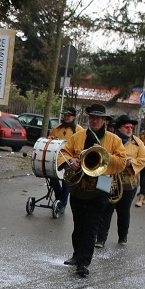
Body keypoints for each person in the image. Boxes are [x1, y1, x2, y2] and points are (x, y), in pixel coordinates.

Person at [57, 104, 128, 276]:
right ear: (89, 119)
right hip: (79, 186)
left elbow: (122, 162)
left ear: (104, 120)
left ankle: (84, 262)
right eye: (92, 117)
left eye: (99, 118)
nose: (95, 120)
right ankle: (76, 255)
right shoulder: (78, 136)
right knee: (78, 225)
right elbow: (63, 152)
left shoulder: (114, 140)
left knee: (91, 226)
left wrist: (105, 155)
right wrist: (70, 161)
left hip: (101, 186)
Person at [96, 114, 145, 246]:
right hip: (107, 179)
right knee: (105, 209)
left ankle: (122, 237)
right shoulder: (110, 139)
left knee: (123, 211)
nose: (130, 129)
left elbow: (144, 158)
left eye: (131, 127)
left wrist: (131, 163)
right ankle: (101, 239)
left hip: (128, 182)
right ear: (119, 128)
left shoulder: (137, 142)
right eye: (127, 127)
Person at [47, 106, 81, 216]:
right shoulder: (57, 128)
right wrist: (51, 140)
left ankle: (62, 205)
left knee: (67, 182)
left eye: (68, 116)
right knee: (52, 178)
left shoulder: (79, 130)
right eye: (65, 115)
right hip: (56, 159)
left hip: (70, 160)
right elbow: (50, 139)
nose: (66, 117)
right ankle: (58, 199)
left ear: (74, 117)